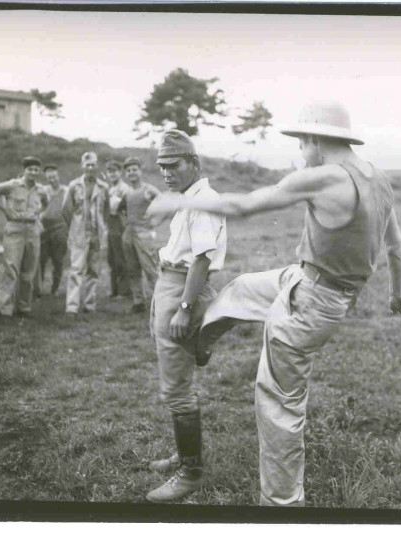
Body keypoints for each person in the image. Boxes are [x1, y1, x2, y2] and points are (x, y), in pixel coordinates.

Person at [147, 101, 401, 507]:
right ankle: (201, 339)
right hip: (305, 279)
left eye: (300, 143)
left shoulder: (322, 177)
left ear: (314, 139)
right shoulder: (377, 176)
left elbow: (244, 205)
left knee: (277, 404)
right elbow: (395, 243)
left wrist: (179, 202)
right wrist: (398, 292)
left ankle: (281, 506)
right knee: (241, 288)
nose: (300, 152)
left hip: (312, 301)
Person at [145, 130, 226, 503]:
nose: (166, 173)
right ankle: (183, 453)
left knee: (177, 387)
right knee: (174, 376)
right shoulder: (188, 197)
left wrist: (184, 307)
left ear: (194, 162)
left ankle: (190, 473)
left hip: (183, 288)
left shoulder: (203, 200)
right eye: (161, 166)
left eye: (173, 165)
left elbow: (202, 259)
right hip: (170, 283)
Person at [0, 156, 48, 317]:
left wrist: (38, 212)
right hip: (15, 229)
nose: (33, 172)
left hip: (33, 230)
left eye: (36, 170)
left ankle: (24, 307)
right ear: (24, 170)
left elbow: (46, 203)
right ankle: (5, 308)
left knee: (29, 270)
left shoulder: (40, 189)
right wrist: (5, 209)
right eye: (30, 169)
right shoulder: (13, 185)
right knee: (11, 269)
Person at [62, 152, 109, 315]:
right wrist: (75, 227)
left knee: (94, 270)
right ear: (82, 166)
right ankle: (72, 307)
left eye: (93, 165)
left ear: (97, 166)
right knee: (76, 269)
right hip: (79, 233)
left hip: (96, 233)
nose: (90, 168)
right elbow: (66, 210)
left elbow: (106, 211)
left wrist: (102, 229)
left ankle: (89, 304)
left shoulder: (103, 187)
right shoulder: (74, 186)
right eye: (87, 165)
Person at [118, 156, 161, 312]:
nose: (131, 173)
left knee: (150, 268)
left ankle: (159, 302)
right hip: (129, 233)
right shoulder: (127, 192)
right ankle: (138, 301)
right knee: (132, 269)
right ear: (126, 174)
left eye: (134, 169)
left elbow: (164, 202)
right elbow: (121, 209)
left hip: (144, 233)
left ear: (140, 171)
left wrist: (155, 222)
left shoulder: (148, 189)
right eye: (128, 171)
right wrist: (125, 223)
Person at [35, 164, 68, 296]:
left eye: (54, 177)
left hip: (60, 228)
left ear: (58, 176)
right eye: (49, 178)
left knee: (58, 260)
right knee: (41, 259)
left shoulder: (66, 190)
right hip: (44, 228)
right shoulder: (43, 190)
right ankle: (38, 289)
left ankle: (56, 289)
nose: (52, 180)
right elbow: (37, 208)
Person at [104, 159, 131, 298]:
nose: (112, 174)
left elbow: (120, 208)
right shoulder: (109, 188)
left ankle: (124, 291)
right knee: (111, 257)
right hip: (111, 223)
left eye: (114, 171)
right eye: (109, 172)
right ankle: (114, 290)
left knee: (121, 257)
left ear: (120, 172)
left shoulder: (124, 188)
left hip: (120, 223)